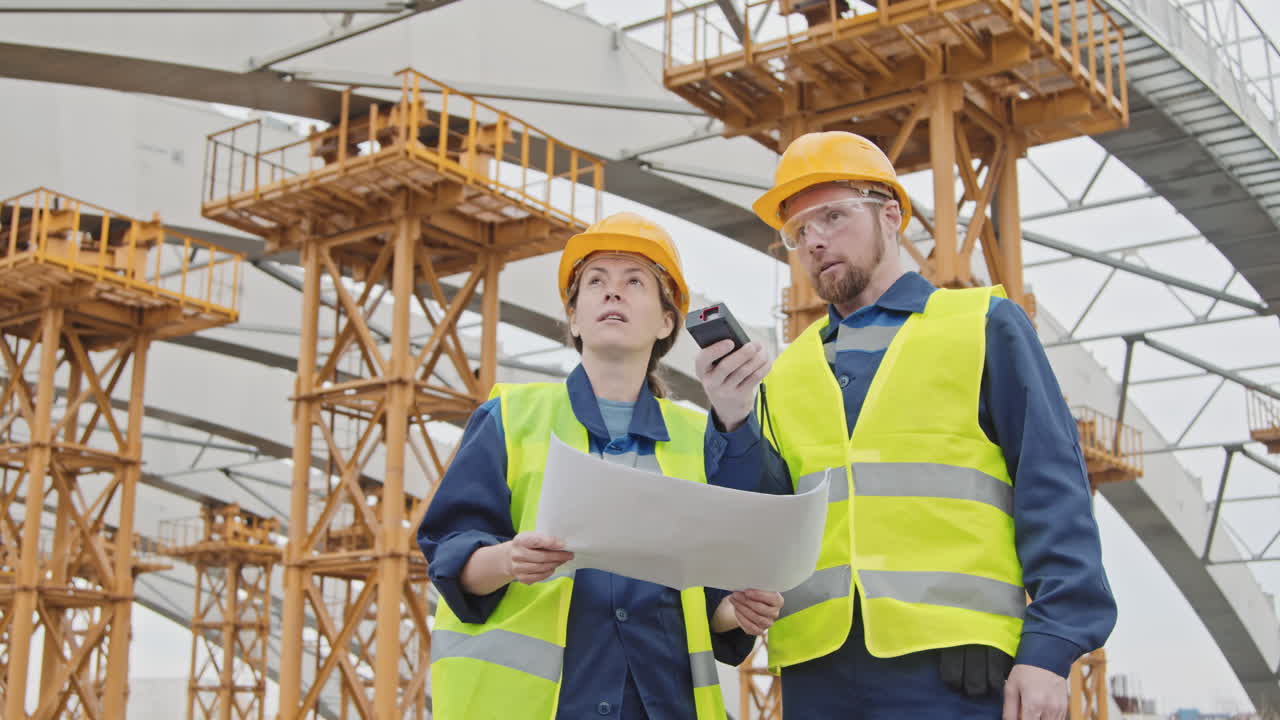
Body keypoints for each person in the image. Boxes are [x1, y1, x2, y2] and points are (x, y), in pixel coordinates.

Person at [730, 131, 1117, 719]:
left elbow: (1053, 487)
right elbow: (762, 524)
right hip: (817, 679)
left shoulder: (982, 325)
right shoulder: (786, 375)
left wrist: (1050, 647)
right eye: (798, 231)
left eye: (833, 215)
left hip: (956, 677)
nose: (814, 240)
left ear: (891, 215)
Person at [420, 212, 784, 720]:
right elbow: (450, 557)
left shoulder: (703, 436)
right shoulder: (509, 417)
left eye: (634, 281)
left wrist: (735, 613)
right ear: (574, 318)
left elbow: (712, 597)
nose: (613, 293)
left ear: (666, 322)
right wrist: (508, 560)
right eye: (596, 282)